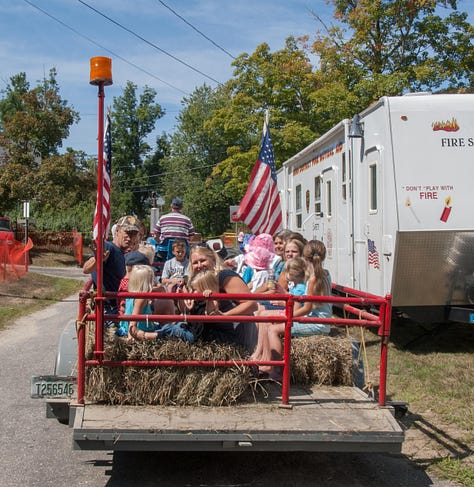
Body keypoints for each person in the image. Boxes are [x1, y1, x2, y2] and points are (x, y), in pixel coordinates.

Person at [256, 240, 333, 378]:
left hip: (316, 323)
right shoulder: (325, 274)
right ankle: (263, 358)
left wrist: (288, 316)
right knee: (267, 318)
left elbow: (307, 309)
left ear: (304, 256)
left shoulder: (313, 279)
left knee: (273, 329)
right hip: (317, 320)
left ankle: (277, 369)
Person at [184, 244, 258, 351]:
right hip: (205, 334)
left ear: (213, 259)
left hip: (231, 336)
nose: (199, 265)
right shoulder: (195, 281)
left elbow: (251, 304)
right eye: (195, 263)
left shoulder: (224, 276)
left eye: (203, 260)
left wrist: (225, 315)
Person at [116, 265, 196, 342]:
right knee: (171, 328)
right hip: (142, 331)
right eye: (152, 279)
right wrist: (131, 337)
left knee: (172, 326)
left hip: (125, 329)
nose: (154, 281)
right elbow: (133, 321)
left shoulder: (131, 294)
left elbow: (159, 289)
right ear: (146, 282)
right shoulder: (141, 298)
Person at [83, 215, 143, 315]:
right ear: (117, 231)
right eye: (127, 232)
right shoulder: (108, 248)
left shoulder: (127, 254)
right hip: (110, 311)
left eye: (133, 234)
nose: (130, 237)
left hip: (124, 306)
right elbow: (86, 269)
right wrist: (97, 260)